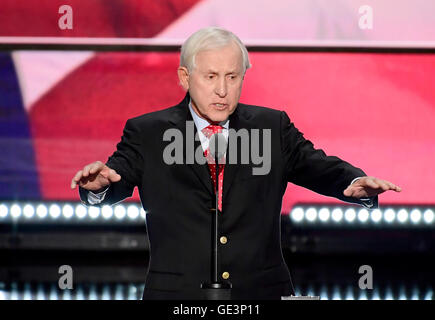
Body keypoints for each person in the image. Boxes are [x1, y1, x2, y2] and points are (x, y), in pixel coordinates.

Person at [70, 27, 401, 300]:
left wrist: (354, 183)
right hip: (178, 296)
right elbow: (118, 176)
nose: (222, 90)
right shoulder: (149, 132)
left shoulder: (272, 127)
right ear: (185, 77)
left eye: (232, 76)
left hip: (262, 293)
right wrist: (100, 187)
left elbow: (316, 165)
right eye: (211, 76)